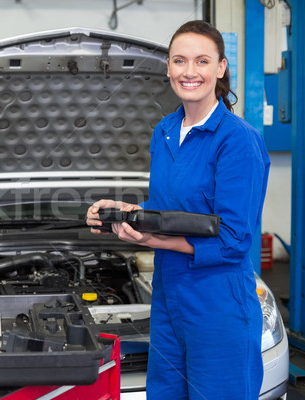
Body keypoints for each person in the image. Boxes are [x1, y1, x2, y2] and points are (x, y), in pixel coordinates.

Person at [86, 20, 269, 399]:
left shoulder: (238, 141)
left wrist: (152, 238)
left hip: (217, 301)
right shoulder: (165, 131)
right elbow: (172, 208)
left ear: (220, 68)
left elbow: (234, 240)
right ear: (168, 67)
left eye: (202, 61)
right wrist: (124, 210)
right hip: (168, 295)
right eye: (180, 61)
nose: (189, 72)